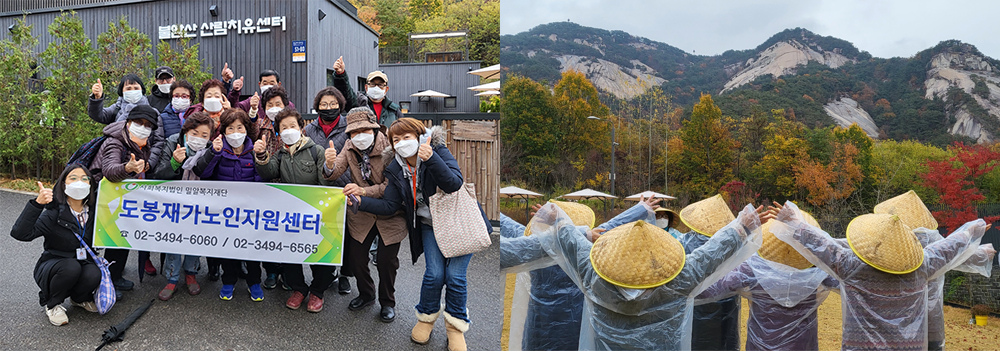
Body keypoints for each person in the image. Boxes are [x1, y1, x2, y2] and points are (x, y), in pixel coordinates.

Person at [526, 201, 768, 350]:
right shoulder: (678, 281)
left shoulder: (595, 278)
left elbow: (572, 243)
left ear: (612, 256)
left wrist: (558, 220)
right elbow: (709, 255)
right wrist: (741, 228)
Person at [770, 200, 990, 350]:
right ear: (908, 244)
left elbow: (823, 244)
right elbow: (947, 247)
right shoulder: (922, 266)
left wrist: (794, 222)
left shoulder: (851, 266)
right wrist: (972, 231)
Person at [356, 118, 491, 351]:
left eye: (406, 137)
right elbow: (390, 205)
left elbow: (453, 183)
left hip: (460, 221)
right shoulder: (395, 167)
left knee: (456, 277)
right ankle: (426, 319)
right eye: (395, 139)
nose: (401, 143)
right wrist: (361, 201)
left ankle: (455, 328)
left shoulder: (437, 149)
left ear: (419, 136)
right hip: (429, 225)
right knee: (434, 275)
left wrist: (431, 158)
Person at [500, 197, 661, 351]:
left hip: (539, 321)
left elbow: (509, 227)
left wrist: (482, 208)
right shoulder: (584, 247)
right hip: (574, 319)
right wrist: (641, 209)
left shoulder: (533, 245)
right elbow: (612, 226)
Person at [695, 209, 838, 351]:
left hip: (760, 345)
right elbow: (847, 279)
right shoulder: (818, 270)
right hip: (803, 345)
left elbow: (710, 290)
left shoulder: (754, 267)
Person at [873, 191, 996, 351]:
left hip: (897, 315)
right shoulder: (931, 240)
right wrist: (982, 252)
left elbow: (949, 253)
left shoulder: (888, 242)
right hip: (930, 316)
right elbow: (950, 253)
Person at [322, 107, 404, 322]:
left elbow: (392, 186)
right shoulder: (349, 147)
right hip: (362, 213)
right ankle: (367, 294)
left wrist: (363, 191)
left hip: (390, 213)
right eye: (354, 132)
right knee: (356, 258)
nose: (359, 136)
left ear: (375, 129)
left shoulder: (390, 146)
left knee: (387, 261)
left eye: (365, 130)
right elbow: (334, 172)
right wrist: (328, 164)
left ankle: (388, 302)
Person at [252, 108, 334, 311]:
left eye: (292, 126)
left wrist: (330, 166)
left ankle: (317, 291)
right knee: (290, 254)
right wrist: (261, 154)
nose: (289, 130)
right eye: (284, 127)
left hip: (316, 213)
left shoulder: (317, 151)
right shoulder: (280, 154)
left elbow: (325, 184)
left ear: (301, 128)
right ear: (278, 132)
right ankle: (298, 288)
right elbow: (268, 172)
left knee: (320, 254)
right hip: (289, 213)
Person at [10, 165, 102, 326]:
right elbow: (20, 234)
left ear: (91, 185)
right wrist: (37, 204)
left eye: (84, 179)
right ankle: (52, 303)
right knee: (71, 267)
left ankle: (79, 299)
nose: (79, 183)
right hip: (55, 264)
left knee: (94, 273)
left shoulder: (95, 211)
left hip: (83, 260)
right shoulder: (54, 212)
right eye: (73, 178)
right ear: (63, 184)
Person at [194, 108, 265, 301]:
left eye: (239, 128)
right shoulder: (217, 149)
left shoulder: (253, 151)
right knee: (228, 249)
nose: (235, 133)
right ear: (223, 131)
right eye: (230, 128)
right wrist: (214, 153)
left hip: (250, 212)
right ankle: (228, 281)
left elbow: (262, 178)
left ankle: (254, 282)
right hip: (224, 213)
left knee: (251, 249)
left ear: (246, 129)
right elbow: (204, 173)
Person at [88, 105, 160, 295]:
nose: (143, 127)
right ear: (128, 123)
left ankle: (116, 276)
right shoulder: (116, 142)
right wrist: (127, 168)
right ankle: (101, 284)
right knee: (103, 240)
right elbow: (109, 171)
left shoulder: (141, 142)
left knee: (122, 236)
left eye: (147, 125)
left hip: (123, 200)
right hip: (102, 199)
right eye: (139, 123)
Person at [151, 112, 216, 300]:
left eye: (205, 135)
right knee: (174, 238)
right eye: (195, 133)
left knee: (194, 238)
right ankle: (172, 278)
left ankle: (191, 273)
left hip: (199, 204)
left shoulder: (210, 148)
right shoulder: (172, 142)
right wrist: (174, 162)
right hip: (174, 203)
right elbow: (159, 175)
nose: (199, 139)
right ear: (186, 131)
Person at [677, 194, 743, 351]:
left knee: (696, 342)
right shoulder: (734, 243)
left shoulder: (684, 243)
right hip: (727, 309)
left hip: (695, 312)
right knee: (725, 342)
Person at [304, 85, 353, 295]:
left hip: (344, 188)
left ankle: (345, 275)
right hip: (319, 191)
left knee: (347, 237)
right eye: (324, 104)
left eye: (333, 104)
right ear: (317, 107)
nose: (328, 107)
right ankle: (323, 275)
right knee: (322, 235)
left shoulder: (349, 127)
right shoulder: (308, 130)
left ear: (340, 105)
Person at [331, 56, 401, 126]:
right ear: (366, 87)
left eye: (380, 85)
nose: (376, 88)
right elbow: (346, 92)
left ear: (386, 89)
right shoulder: (359, 105)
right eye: (372, 84)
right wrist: (340, 74)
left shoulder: (394, 110)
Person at [226, 68, 296, 121]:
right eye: (265, 83)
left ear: (278, 84)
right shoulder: (252, 101)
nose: (268, 86)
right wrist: (235, 92)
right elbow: (235, 109)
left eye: (272, 83)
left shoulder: (287, 104)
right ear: (260, 84)